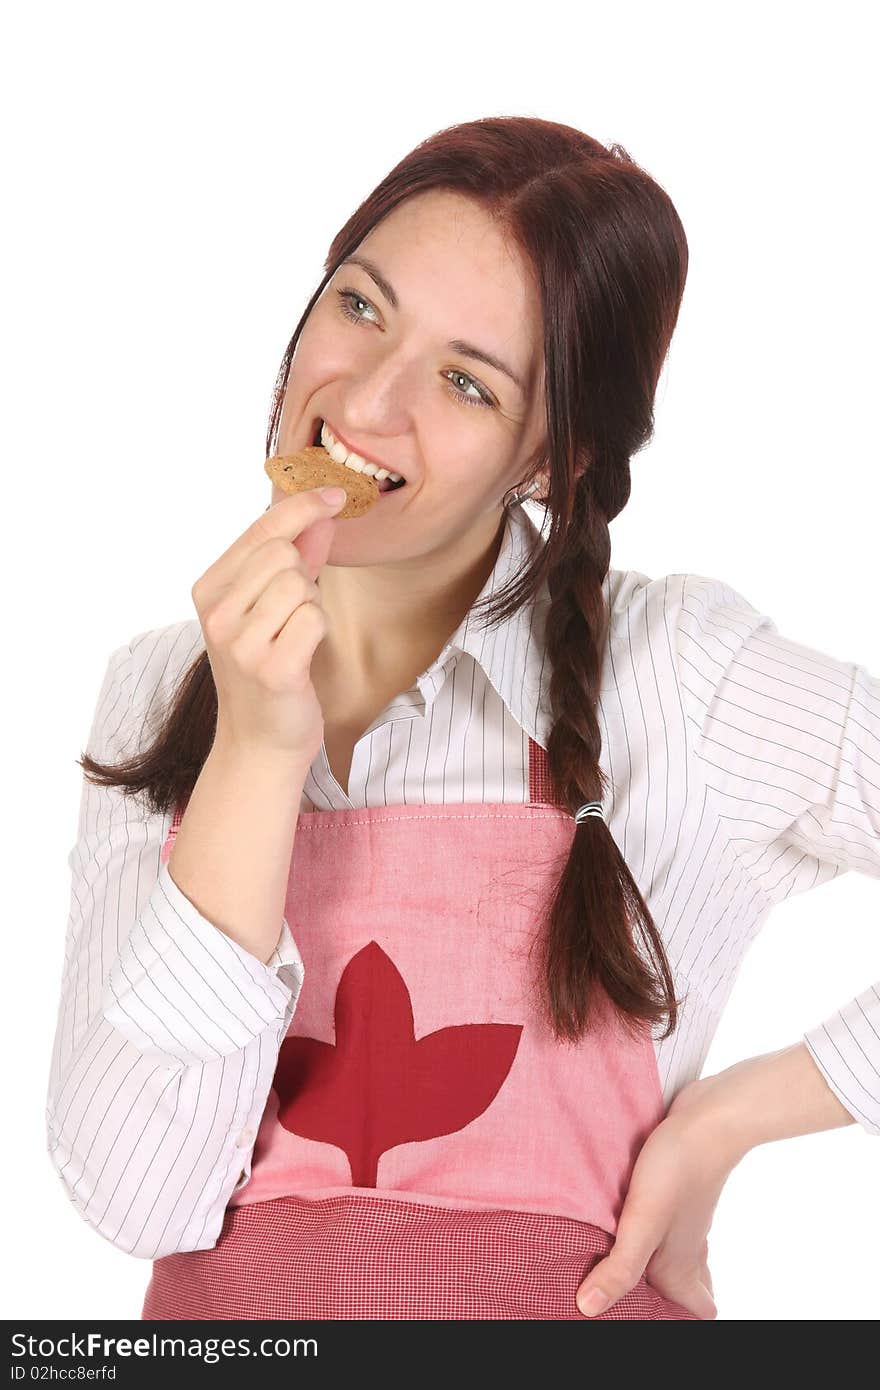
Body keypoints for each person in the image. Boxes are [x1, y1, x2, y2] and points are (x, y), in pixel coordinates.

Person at [46, 115, 880, 1321]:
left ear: (554, 456)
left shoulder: (682, 677)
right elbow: (141, 1202)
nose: (365, 401)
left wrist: (738, 1114)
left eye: (464, 380)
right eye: (362, 306)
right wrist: (257, 750)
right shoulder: (159, 684)